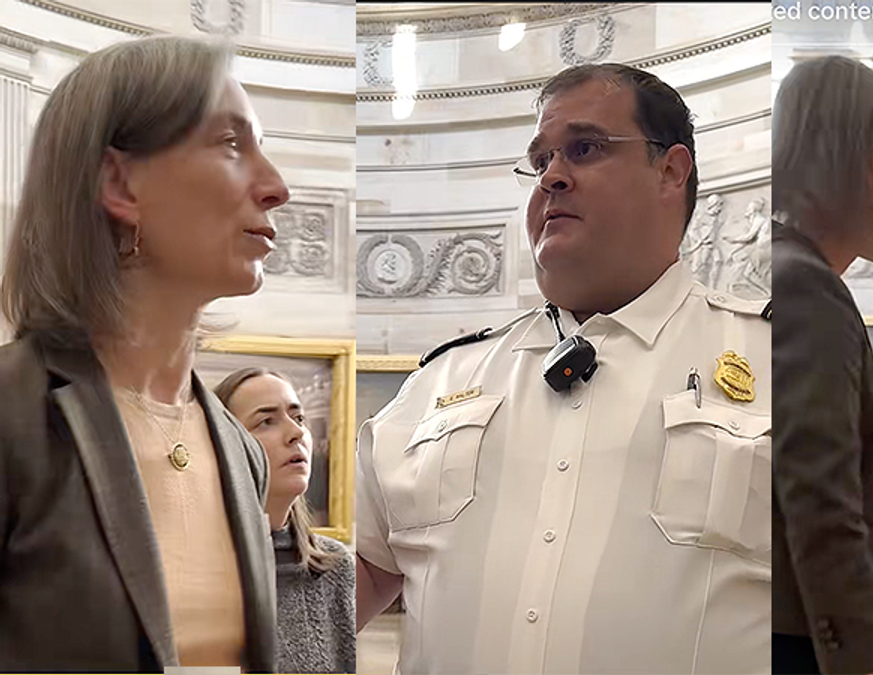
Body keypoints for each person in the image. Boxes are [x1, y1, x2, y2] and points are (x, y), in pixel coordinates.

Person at [356, 63, 771, 674]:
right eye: (541, 159)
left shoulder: (779, 360)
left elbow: (846, 615)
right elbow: (353, 580)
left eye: (584, 149)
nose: (551, 176)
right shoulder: (441, 382)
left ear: (670, 170)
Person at [0, 36, 288, 671]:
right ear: (121, 182)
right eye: (232, 145)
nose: (276, 187)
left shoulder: (241, 452)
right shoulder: (11, 416)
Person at [772, 54, 873, 675]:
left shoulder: (783, 272)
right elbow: (819, 502)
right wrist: (868, 663)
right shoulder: (807, 285)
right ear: (860, 158)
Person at [216, 368, 356, 673]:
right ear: (223, 446)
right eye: (267, 421)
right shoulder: (192, 573)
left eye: (299, 418)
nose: (296, 433)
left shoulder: (335, 567)